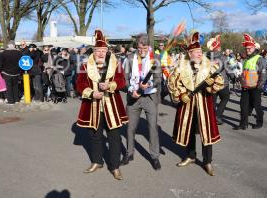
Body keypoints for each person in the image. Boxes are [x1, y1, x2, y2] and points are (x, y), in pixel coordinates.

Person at [168, 30, 224, 176]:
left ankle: (207, 161)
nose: (199, 54)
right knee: (189, 131)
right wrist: (181, 95)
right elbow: (173, 83)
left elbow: (220, 83)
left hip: (204, 104)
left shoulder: (210, 66)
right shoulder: (181, 65)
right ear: (190, 53)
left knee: (206, 133)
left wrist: (212, 86)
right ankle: (191, 156)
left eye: (200, 51)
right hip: (187, 104)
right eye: (196, 52)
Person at [76, 30, 128, 180]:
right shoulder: (85, 66)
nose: (101, 53)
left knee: (114, 138)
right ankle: (97, 161)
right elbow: (79, 84)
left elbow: (122, 81)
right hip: (93, 107)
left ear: (107, 51)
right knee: (95, 137)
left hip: (112, 107)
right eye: (98, 50)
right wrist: (92, 93)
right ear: (94, 50)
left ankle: (115, 167)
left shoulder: (115, 64)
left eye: (103, 50)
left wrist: (111, 85)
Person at [121, 34, 162, 170]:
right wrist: (130, 88)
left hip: (149, 98)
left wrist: (149, 84)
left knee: (152, 127)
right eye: (139, 47)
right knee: (130, 128)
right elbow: (124, 79)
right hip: (133, 97)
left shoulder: (155, 59)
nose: (142, 50)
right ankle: (129, 153)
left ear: (149, 46)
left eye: (144, 47)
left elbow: (158, 79)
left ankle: (154, 156)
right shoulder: (129, 58)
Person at [236, 34, 266, 130]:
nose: (248, 50)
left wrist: (260, 85)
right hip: (246, 87)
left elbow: (263, 73)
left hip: (255, 87)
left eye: (250, 48)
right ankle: (243, 124)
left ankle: (259, 122)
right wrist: (240, 79)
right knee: (243, 106)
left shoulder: (259, 59)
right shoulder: (246, 59)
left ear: (254, 48)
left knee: (257, 105)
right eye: (246, 48)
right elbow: (245, 73)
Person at [207, 35, 232, 125]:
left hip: (210, 83)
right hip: (222, 83)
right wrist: (233, 76)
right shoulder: (223, 58)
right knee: (225, 97)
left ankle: (211, 117)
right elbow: (229, 70)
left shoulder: (207, 58)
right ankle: (218, 115)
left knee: (213, 101)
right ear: (218, 48)